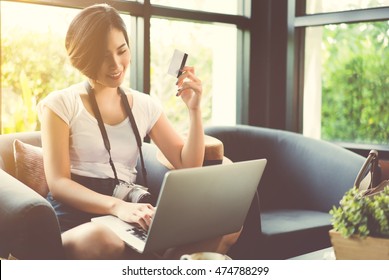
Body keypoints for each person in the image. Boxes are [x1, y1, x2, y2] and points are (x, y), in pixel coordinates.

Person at [38, 3, 239, 259]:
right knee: (103, 240)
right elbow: (58, 184)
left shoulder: (144, 105)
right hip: (75, 219)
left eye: (121, 51)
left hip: (128, 216)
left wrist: (194, 110)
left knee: (226, 225)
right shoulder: (60, 104)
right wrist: (117, 207)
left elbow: (188, 165)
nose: (115, 64)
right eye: (102, 56)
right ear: (83, 57)